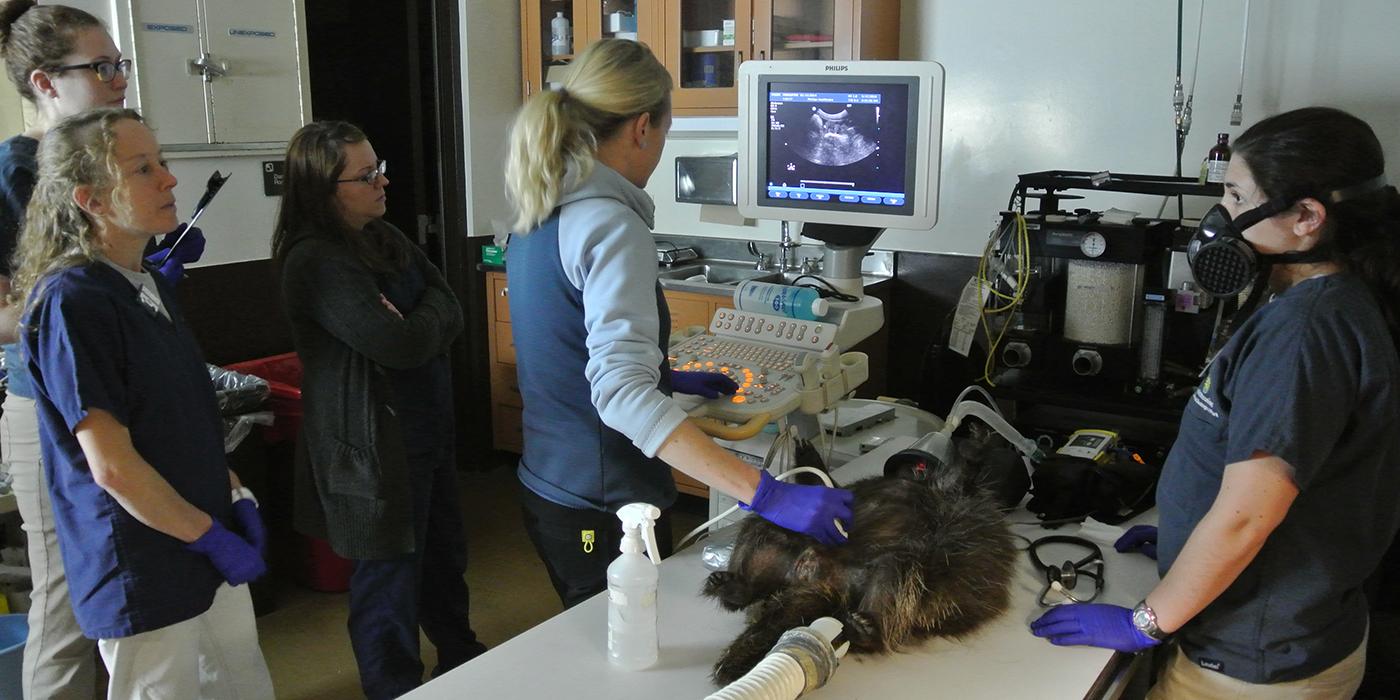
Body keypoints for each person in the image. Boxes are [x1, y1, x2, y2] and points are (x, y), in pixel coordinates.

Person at [1031, 106, 1400, 698]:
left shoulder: (1307, 333)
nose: (1220, 217)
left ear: (1307, 217)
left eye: (1234, 195)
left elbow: (1248, 517)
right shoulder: (1333, 300)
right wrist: (1184, 531)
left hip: (1250, 662)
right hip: (1280, 630)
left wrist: (1143, 621)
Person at [502, 38, 854, 609]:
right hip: (603, 509)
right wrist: (765, 495)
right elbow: (618, 392)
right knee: (629, 647)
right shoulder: (612, 226)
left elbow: (566, 349)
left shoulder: (540, 209)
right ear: (643, 127)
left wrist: (671, 378)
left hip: (551, 488)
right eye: (664, 133)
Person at [9, 107, 271, 698]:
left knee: (239, 681)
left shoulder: (146, 283)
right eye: (143, 168)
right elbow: (113, 466)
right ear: (92, 200)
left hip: (199, 527)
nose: (169, 179)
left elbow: (180, 415)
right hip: (144, 561)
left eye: (164, 162)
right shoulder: (72, 302)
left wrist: (231, 493)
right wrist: (208, 535)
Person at [0, 3, 204, 697]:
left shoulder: (113, 153)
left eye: (120, 64)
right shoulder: (13, 175)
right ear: (45, 82)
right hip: (53, 408)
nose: (119, 79)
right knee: (68, 607)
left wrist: (136, 270)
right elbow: (13, 310)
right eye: (101, 67)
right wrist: (93, 293)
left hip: (118, 391)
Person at [272, 120, 487, 698]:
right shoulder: (315, 260)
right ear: (322, 189)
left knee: (444, 557)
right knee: (387, 579)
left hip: (426, 433)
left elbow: (451, 302)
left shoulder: (384, 237)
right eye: (365, 176)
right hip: (371, 449)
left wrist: (419, 320)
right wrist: (421, 324)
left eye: (378, 167)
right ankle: (392, 687)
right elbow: (399, 343)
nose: (382, 182)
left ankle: (461, 659)